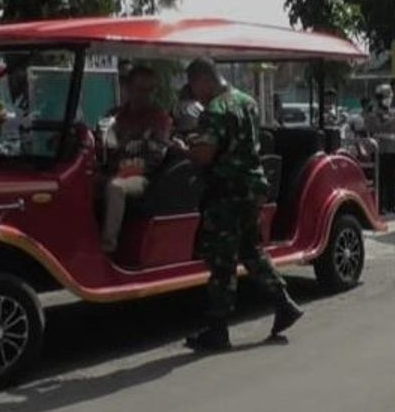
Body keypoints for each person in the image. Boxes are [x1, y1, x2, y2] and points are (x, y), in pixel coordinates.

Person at [183, 58, 302, 351]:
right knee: (250, 249)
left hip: (227, 191)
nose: (195, 95)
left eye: (194, 88)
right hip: (252, 187)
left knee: (221, 259)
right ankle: (284, 303)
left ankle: (218, 329)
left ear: (203, 80)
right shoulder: (246, 101)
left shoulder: (215, 109)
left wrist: (188, 149)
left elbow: (206, 155)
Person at [100, 67, 173, 254]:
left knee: (116, 187)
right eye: (140, 89)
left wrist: (124, 153)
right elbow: (106, 142)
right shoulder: (116, 115)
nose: (145, 95)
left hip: (143, 175)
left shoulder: (158, 118)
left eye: (150, 90)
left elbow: (157, 154)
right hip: (112, 167)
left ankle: (108, 246)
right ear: (129, 89)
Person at [364, 83, 395, 213]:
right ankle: (380, 205)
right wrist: (394, 121)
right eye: (386, 97)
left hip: (394, 148)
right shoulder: (374, 112)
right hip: (380, 149)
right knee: (380, 178)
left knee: (393, 178)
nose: (389, 99)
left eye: (390, 97)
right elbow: (375, 126)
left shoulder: (394, 112)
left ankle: (392, 204)